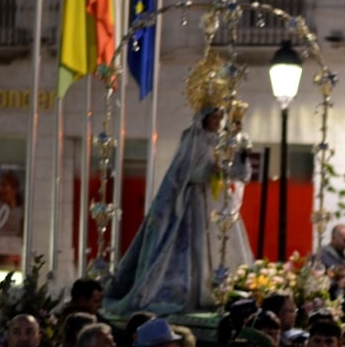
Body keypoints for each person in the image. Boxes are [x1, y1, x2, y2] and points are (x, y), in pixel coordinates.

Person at [104, 96, 251, 317]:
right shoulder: (193, 138)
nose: (218, 122)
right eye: (214, 117)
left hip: (218, 199)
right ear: (204, 117)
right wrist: (205, 173)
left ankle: (223, 291)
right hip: (195, 202)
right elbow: (181, 172)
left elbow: (238, 173)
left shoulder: (224, 141)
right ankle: (199, 292)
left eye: (221, 117)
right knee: (198, 245)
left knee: (223, 243)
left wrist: (242, 155)